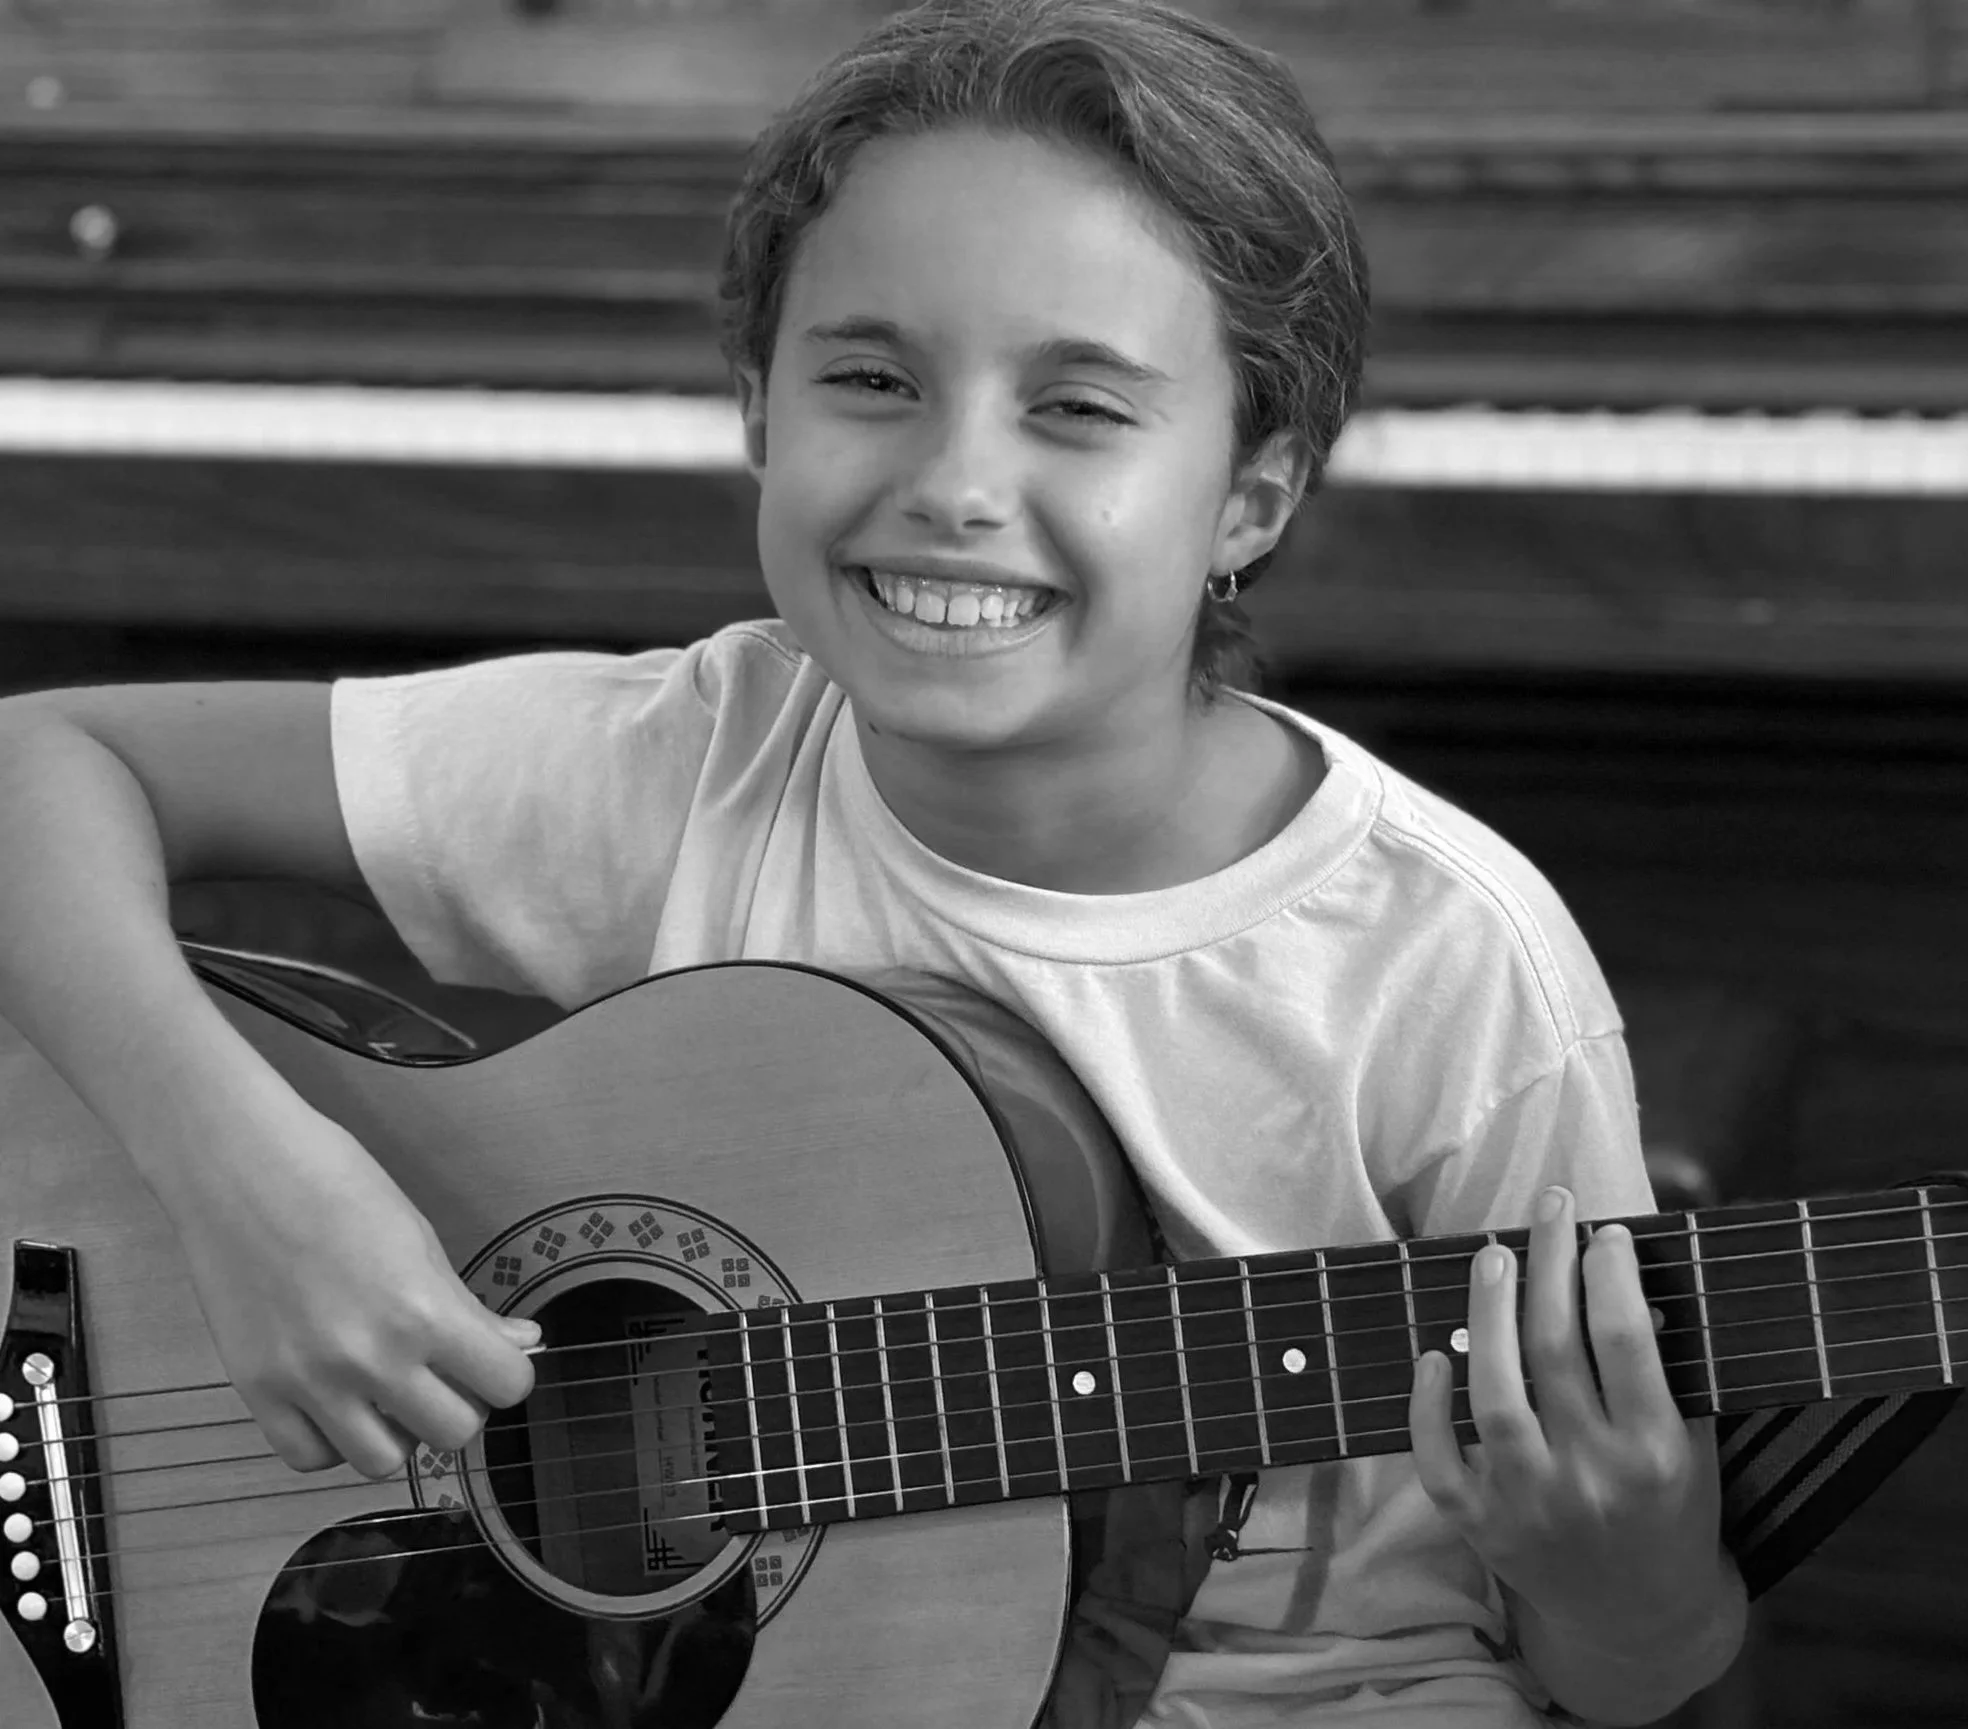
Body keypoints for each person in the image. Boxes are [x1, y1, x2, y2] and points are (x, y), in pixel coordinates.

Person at [0, 1, 1745, 1721]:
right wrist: (255, 1193)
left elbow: (1627, 1673)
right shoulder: (698, 759)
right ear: (758, 410)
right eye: (872, 380)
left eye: (1078, 407)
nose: (954, 482)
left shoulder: (1452, 973)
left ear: (1252, 497)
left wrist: (1629, 1566)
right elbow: (35, 762)